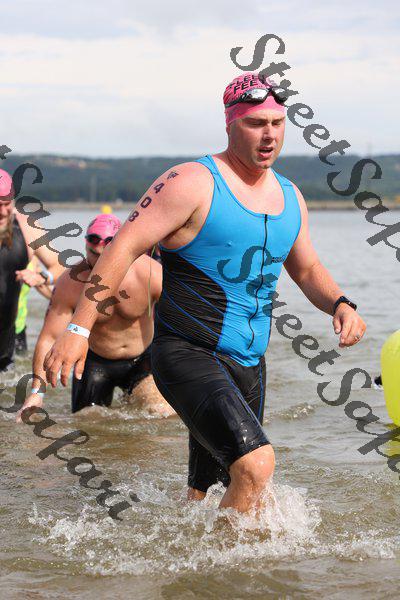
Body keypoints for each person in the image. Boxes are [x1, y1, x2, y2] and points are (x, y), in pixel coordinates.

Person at [43, 73, 366, 513]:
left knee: (208, 491)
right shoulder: (191, 182)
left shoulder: (291, 196)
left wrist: (340, 303)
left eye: (277, 123)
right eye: (256, 123)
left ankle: (184, 548)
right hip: (188, 351)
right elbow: (122, 248)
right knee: (256, 466)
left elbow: (306, 268)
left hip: (249, 363)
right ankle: (230, 559)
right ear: (231, 124)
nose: (269, 134)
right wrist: (78, 328)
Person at [19, 214, 174, 418]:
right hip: (95, 363)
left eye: (105, 255)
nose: (99, 263)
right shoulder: (70, 283)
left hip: (142, 360)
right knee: (88, 422)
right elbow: (48, 337)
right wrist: (36, 393)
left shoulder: (149, 273)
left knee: (161, 412)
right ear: (85, 246)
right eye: (93, 254)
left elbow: (184, 317)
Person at [0, 168, 63, 372]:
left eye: (7, 204)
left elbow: (60, 265)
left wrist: (42, 276)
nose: (4, 212)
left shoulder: (26, 228)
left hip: (6, 340)